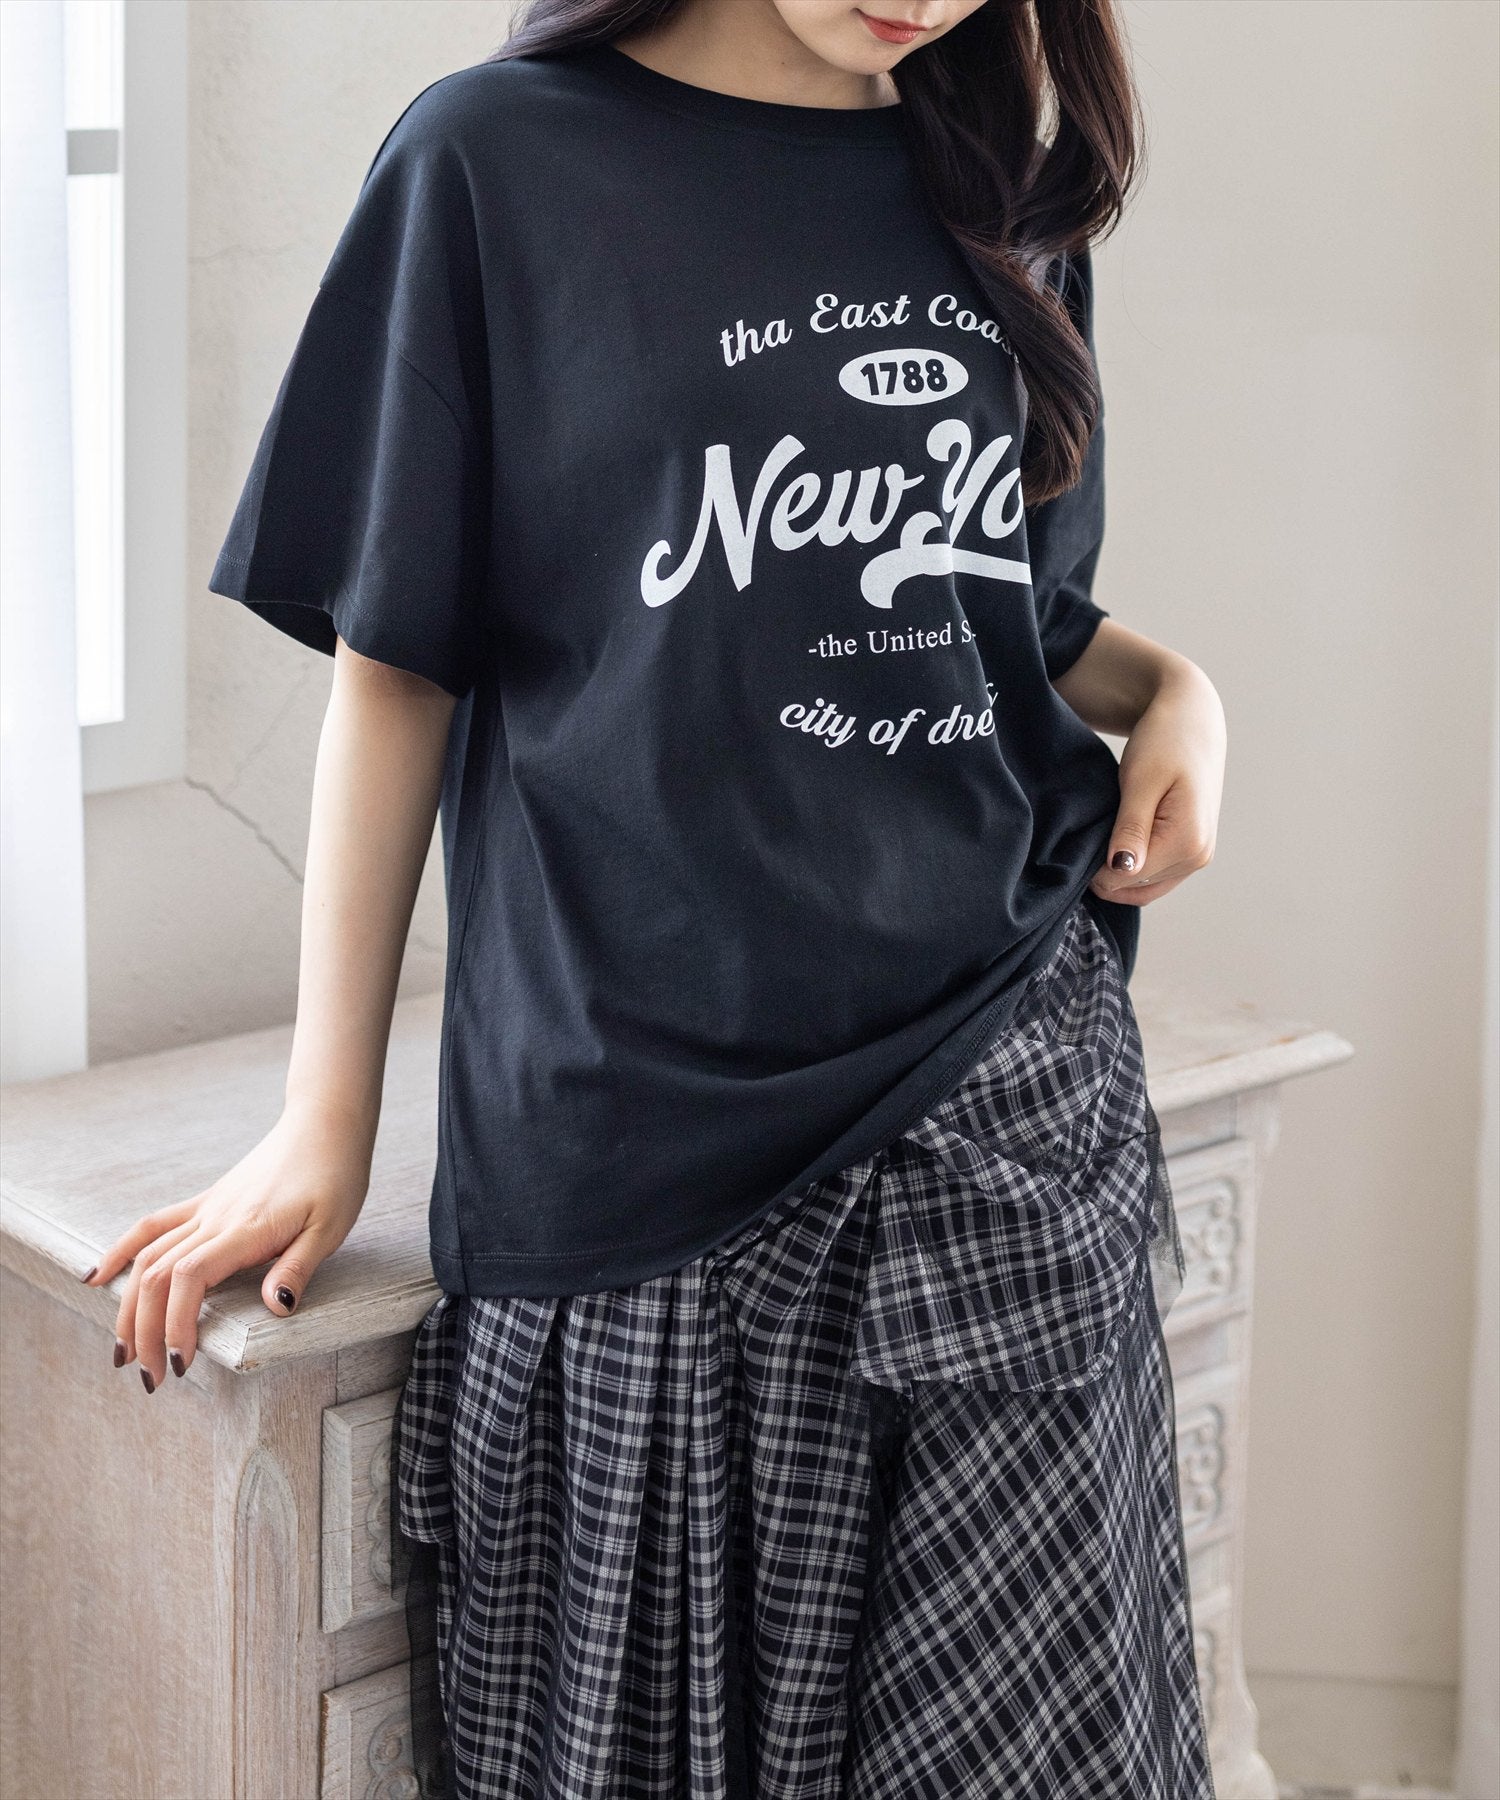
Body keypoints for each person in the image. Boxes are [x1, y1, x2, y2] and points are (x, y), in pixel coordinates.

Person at [86, 0, 1228, 1792]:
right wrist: (326, 1120)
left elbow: (1005, 603)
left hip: (1008, 1124)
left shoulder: (1007, 190)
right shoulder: (490, 165)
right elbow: (398, 665)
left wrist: (1182, 694)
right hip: (639, 1161)